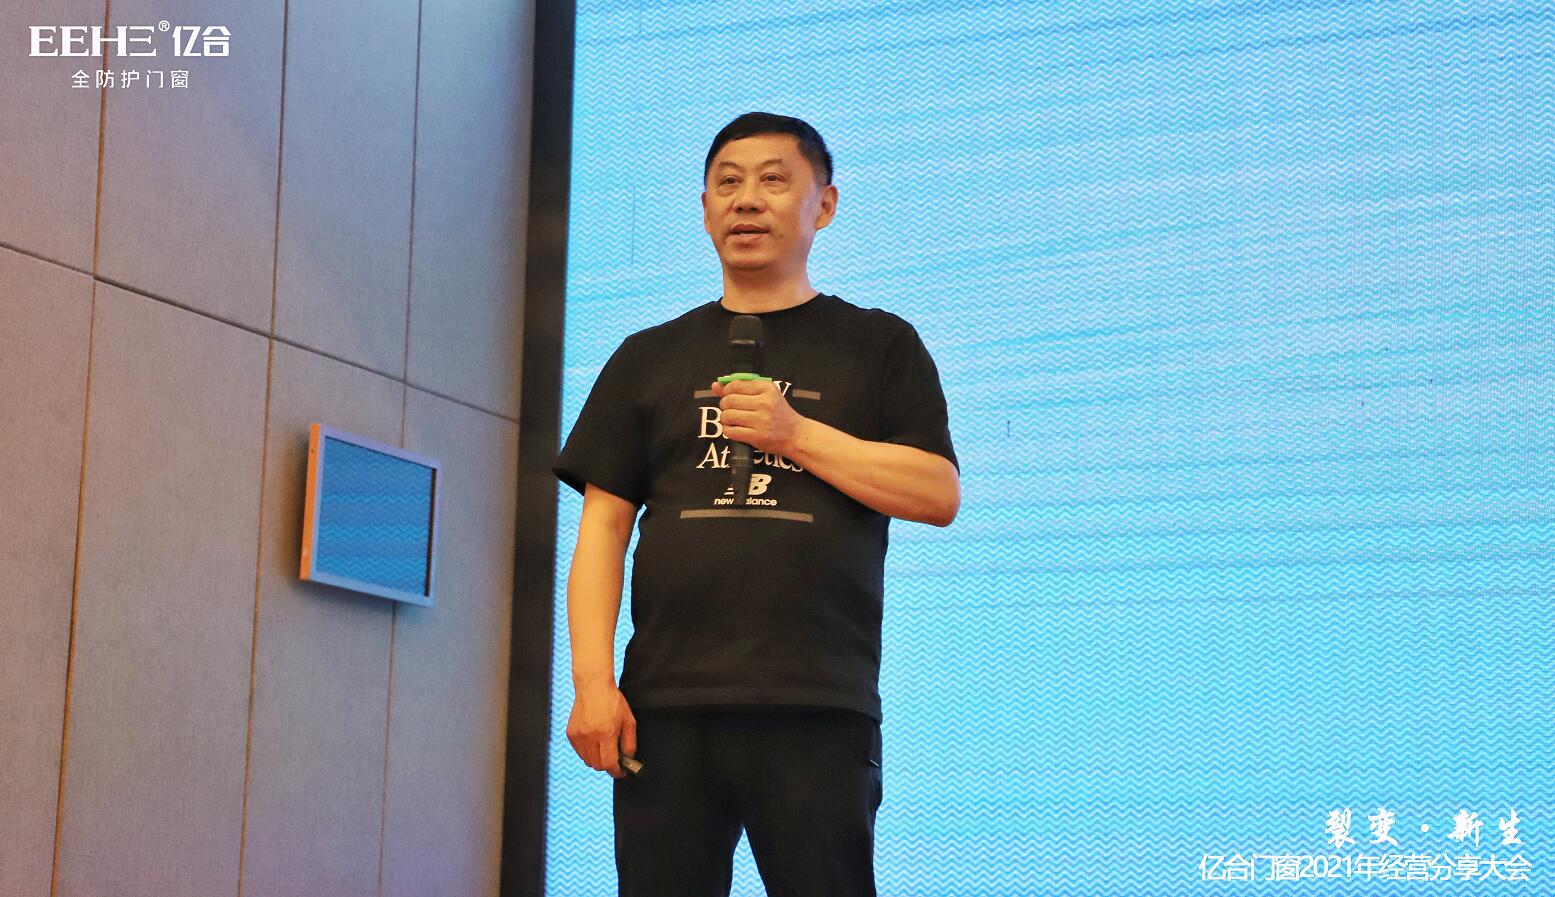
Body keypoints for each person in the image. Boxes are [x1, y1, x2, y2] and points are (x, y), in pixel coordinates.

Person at [553, 111, 960, 897]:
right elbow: (602, 527)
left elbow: (936, 492)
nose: (747, 199)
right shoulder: (647, 356)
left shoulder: (878, 345)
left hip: (815, 699)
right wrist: (592, 684)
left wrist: (795, 432)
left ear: (824, 205)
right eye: (727, 183)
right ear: (704, 208)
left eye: (774, 180)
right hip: (666, 702)